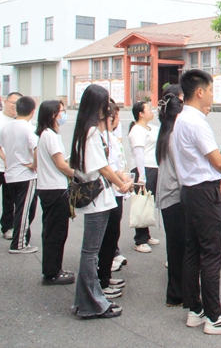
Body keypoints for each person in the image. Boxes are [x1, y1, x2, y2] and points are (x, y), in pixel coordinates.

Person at [174, 69, 221, 335]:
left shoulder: (181, 119)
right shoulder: (196, 122)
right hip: (204, 192)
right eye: (212, 90)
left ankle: (196, 310)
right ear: (200, 91)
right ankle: (214, 317)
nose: (213, 95)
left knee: (194, 250)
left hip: (190, 191)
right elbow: (218, 161)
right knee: (212, 253)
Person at [69, 84, 131, 319]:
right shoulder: (92, 133)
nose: (108, 108)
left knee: (90, 253)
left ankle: (85, 301)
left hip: (95, 198)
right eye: (105, 104)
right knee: (91, 253)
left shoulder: (83, 130)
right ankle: (92, 303)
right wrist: (120, 183)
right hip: (98, 199)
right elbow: (103, 168)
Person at [0, 95, 39, 253]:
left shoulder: (8, 126)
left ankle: (20, 239)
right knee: (24, 210)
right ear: (32, 111)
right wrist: (34, 165)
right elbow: (37, 148)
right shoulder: (29, 128)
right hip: (25, 174)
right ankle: (19, 244)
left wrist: (5, 158)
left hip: (11, 174)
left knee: (19, 208)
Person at [35, 100, 75, 284]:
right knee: (56, 232)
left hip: (49, 187)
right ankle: (52, 273)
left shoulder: (46, 134)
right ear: (53, 115)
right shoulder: (50, 135)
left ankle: (54, 269)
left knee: (53, 231)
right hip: (54, 189)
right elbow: (61, 164)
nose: (63, 114)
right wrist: (78, 175)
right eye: (61, 111)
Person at [155, 92, 185, 307]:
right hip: (175, 197)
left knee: (174, 248)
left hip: (167, 197)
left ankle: (176, 292)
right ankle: (176, 293)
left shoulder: (164, 134)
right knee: (179, 249)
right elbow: (181, 172)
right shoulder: (174, 136)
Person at [98, 102, 128, 299]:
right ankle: (102, 280)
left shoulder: (110, 137)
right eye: (116, 116)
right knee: (108, 237)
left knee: (113, 234)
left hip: (117, 191)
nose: (117, 119)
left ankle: (106, 276)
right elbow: (108, 167)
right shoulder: (102, 138)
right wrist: (121, 182)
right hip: (111, 191)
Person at [128, 101, 160, 253]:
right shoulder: (137, 130)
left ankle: (146, 235)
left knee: (148, 201)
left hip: (154, 167)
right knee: (142, 202)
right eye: (148, 109)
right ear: (140, 114)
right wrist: (142, 175)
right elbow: (138, 154)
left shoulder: (152, 128)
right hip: (143, 168)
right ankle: (139, 240)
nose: (151, 111)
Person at [0, 91, 21, 240]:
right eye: (13, 103)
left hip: (12, 168)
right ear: (5, 102)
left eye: (18, 104)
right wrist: (4, 157)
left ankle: (7, 227)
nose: (15, 106)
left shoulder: (21, 121)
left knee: (9, 200)